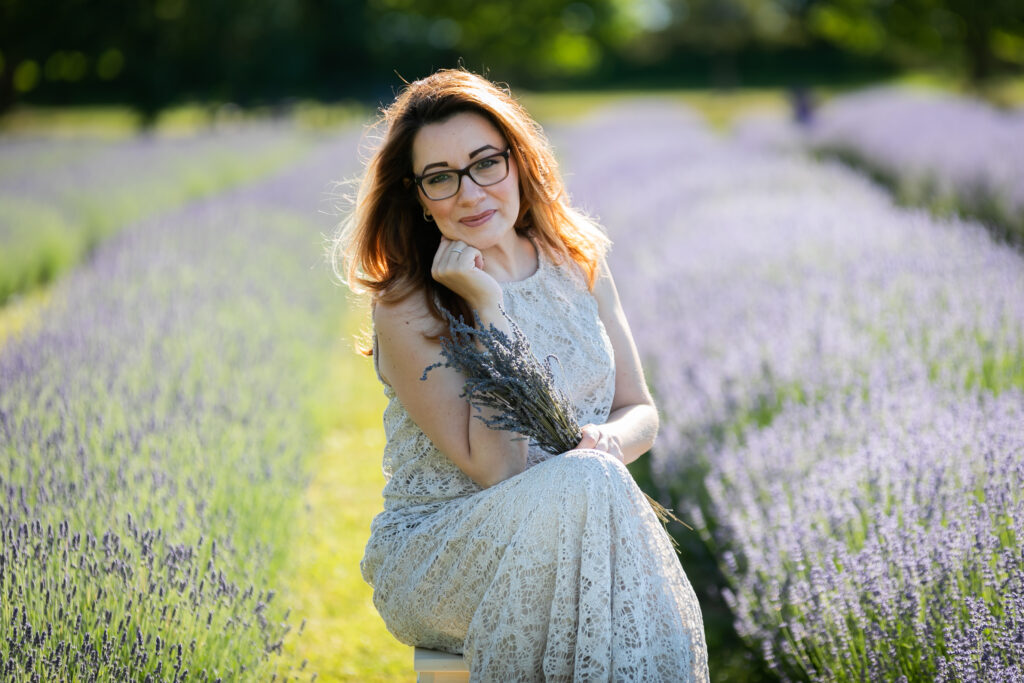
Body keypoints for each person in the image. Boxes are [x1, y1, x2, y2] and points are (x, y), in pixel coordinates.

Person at [333, 68, 708, 681]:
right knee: (593, 489)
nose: (471, 193)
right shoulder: (406, 304)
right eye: (441, 178)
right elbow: (496, 469)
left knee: (594, 480)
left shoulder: (576, 257)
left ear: (518, 160)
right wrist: (487, 309)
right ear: (418, 196)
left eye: (486, 163)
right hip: (446, 547)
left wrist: (610, 442)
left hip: (583, 517)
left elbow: (639, 409)